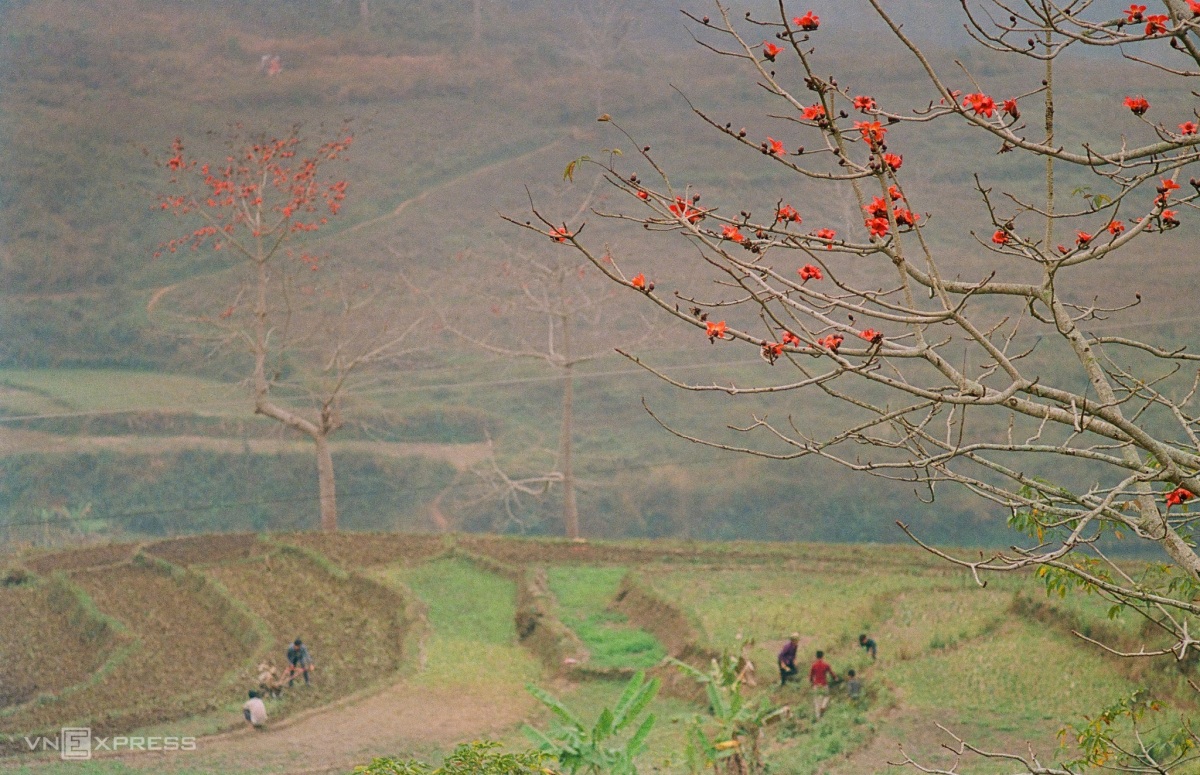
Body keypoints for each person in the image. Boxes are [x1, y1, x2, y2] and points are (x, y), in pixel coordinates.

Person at [809, 650, 838, 719]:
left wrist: (812, 683)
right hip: (824, 684)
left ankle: (818, 717)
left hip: (816, 685)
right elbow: (831, 673)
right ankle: (823, 706)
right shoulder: (826, 665)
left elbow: (811, 676)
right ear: (822, 656)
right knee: (826, 696)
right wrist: (835, 678)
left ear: (816, 656)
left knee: (816, 701)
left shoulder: (813, 665)